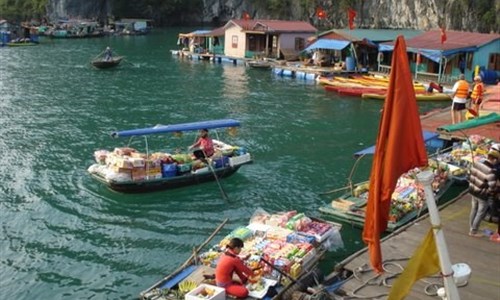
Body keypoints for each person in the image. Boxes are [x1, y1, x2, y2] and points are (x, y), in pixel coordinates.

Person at [468, 146, 499, 237]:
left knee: (474, 209)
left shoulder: (477, 163)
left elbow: (470, 176)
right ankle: (473, 231)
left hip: (473, 190)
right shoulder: (491, 171)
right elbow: (492, 186)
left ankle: (471, 227)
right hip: (482, 194)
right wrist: (492, 192)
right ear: (495, 159)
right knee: (481, 212)